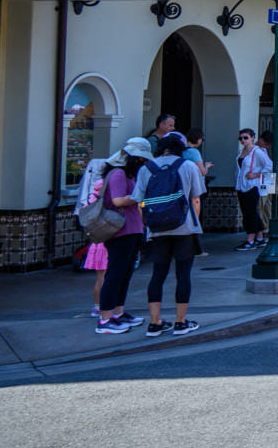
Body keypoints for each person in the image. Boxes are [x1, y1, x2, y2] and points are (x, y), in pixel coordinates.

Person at [133, 131, 205, 336]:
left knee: (158, 274)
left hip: (157, 229)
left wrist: (148, 223)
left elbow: (139, 203)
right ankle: (180, 322)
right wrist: (194, 224)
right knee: (183, 274)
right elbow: (196, 200)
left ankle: (155, 323)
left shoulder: (146, 169)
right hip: (184, 228)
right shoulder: (188, 166)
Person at [94, 138, 153, 334]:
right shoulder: (118, 174)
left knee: (125, 274)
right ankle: (105, 318)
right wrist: (138, 196)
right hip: (121, 231)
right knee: (115, 274)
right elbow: (118, 200)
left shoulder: (126, 174)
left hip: (132, 229)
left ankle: (118, 312)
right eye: (141, 159)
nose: (143, 163)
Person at [76, 158, 110, 317]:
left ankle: (97, 306)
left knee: (100, 278)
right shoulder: (109, 193)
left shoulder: (93, 196)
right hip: (108, 239)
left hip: (97, 240)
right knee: (110, 278)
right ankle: (107, 308)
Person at [234, 127, 267, 249]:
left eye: (246, 138)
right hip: (241, 186)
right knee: (250, 212)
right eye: (241, 138)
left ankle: (250, 240)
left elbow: (269, 166)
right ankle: (259, 237)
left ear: (252, 138)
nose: (243, 140)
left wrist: (256, 174)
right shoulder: (241, 152)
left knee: (250, 213)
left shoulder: (257, 152)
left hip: (252, 186)